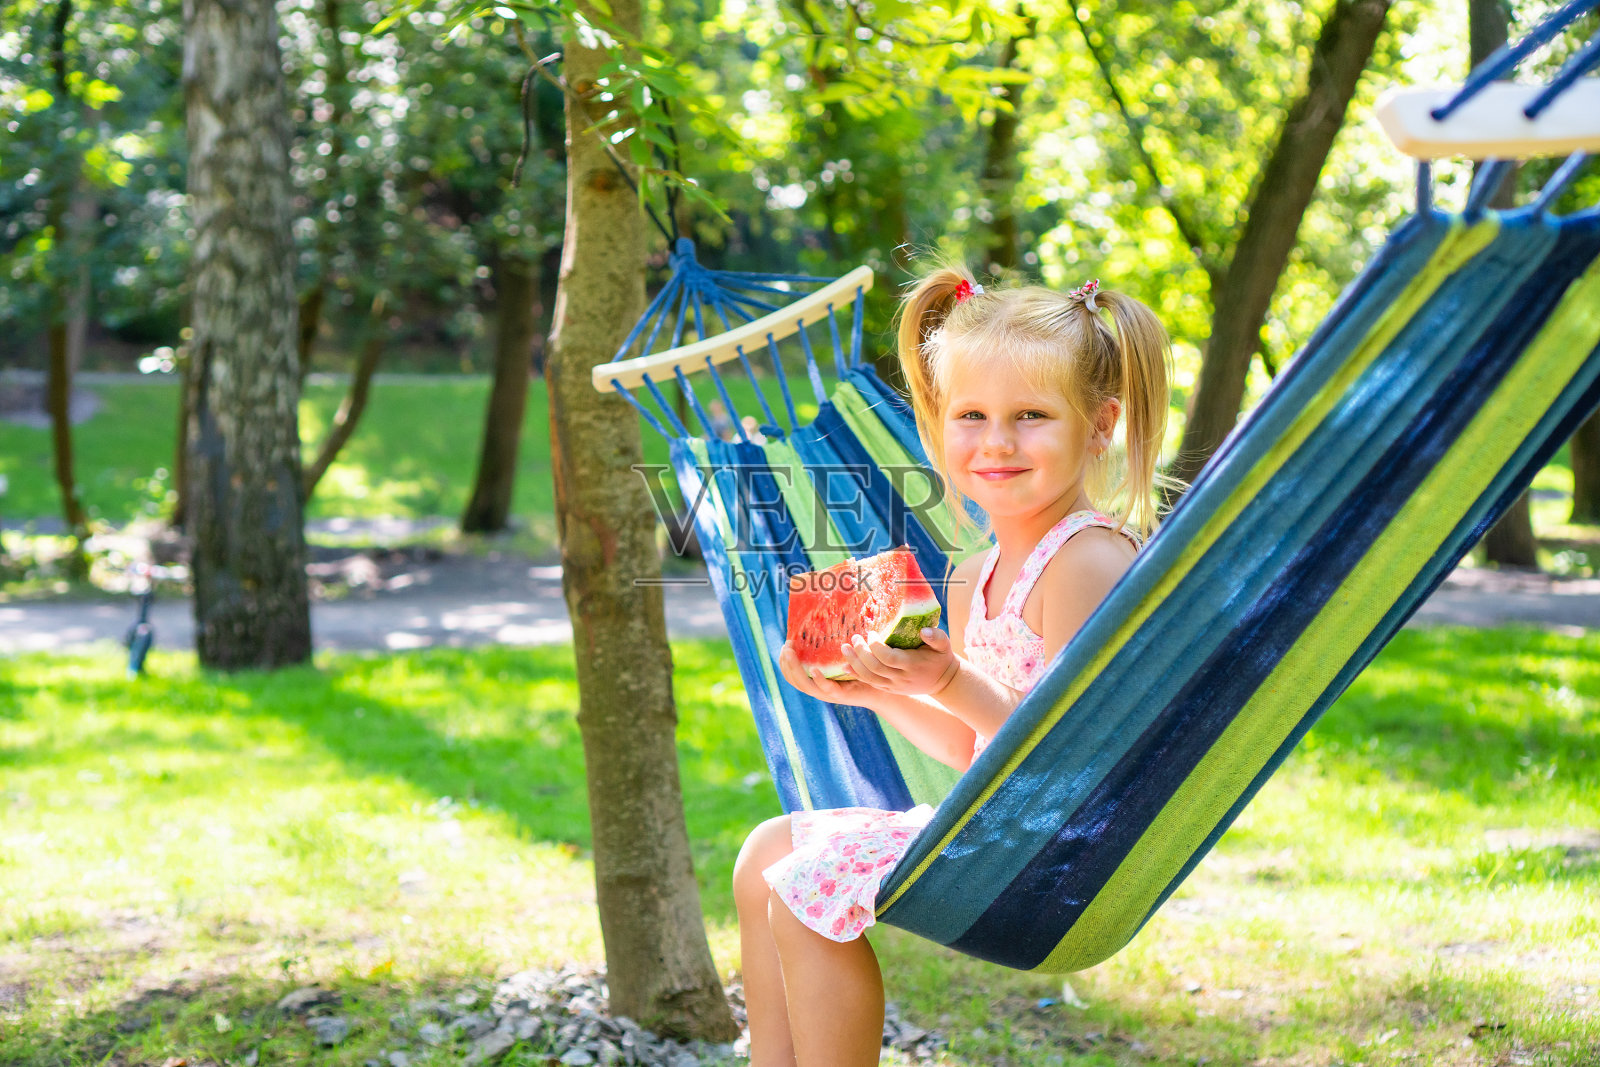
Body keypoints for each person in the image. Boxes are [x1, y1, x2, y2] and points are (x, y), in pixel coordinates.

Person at [730, 259, 1179, 1066]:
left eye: (1032, 415)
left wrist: (948, 679)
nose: (997, 441)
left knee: (802, 892)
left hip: (1053, 850)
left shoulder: (1088, 559)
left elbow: (1071, 752)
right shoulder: (972, 573)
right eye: (971, 413)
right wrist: (877, 689)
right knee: (765, 852)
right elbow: (972, 747)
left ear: (1100, 424)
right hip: (990, 826)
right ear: (938, 424)